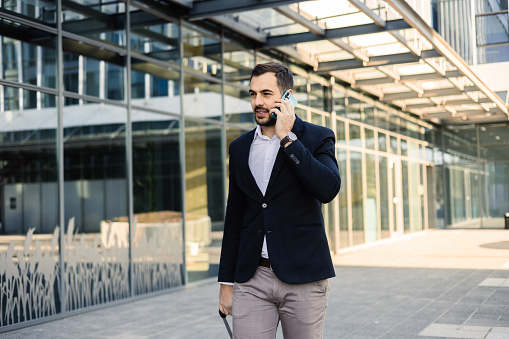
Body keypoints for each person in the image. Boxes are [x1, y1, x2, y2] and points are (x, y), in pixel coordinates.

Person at [218, 62, 341, 339]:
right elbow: (234, 216)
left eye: (265, 93)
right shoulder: (239, 148)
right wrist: (226, 282)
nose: (257, 102)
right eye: (252, 94)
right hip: (252, 278)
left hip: (304, 277)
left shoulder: (316, 137)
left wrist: (288, 139)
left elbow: (328, 189)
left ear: (287, 97)